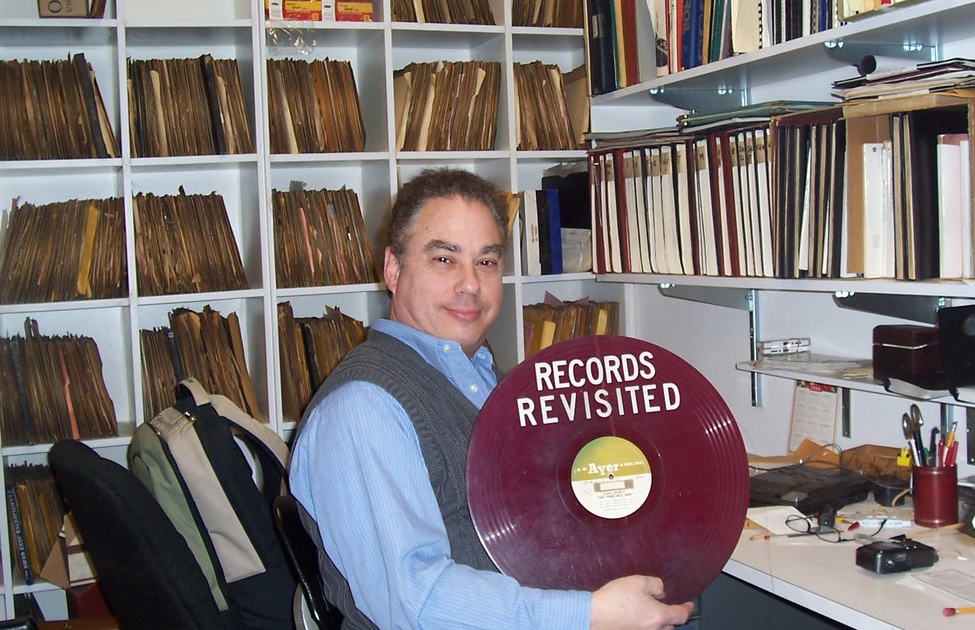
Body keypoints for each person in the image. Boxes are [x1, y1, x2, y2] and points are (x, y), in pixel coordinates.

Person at [289, 168, 695, 629]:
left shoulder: (487, 378)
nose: (470, 284)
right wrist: (590, 615)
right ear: (394, 269)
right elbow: (413, 603)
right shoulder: (364, 408)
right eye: (444, 259)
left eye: (486, 261)